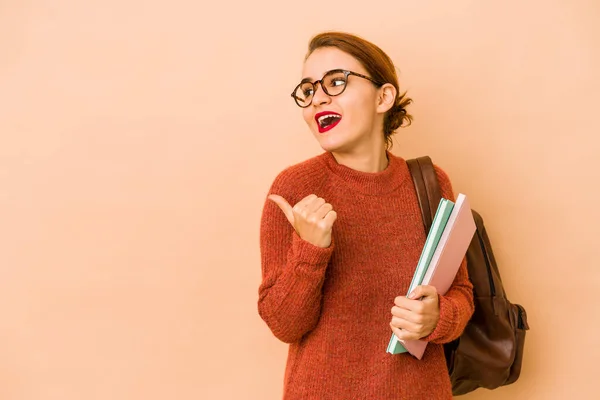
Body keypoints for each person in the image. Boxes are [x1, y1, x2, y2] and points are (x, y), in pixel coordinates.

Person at [257, 31, 474, 400]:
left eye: (336, 82)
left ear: (383, 97)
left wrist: (438, 318)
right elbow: (284, 324)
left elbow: (462, 294)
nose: (318, 97)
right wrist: (311, 251)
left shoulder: (431, 183)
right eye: (308, 90)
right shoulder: (295, 187)